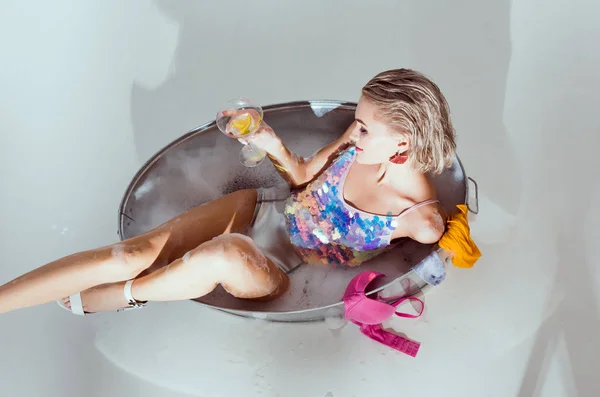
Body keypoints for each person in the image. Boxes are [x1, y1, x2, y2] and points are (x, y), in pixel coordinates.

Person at [0, 68, 455, 315]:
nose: (352, 131)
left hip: (286, 266)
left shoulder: (421, 220)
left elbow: (422, 265)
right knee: (127, 253)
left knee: (224, 254)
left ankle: (125, 295)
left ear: (404, 142)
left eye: (364, 126)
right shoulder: (356, 148)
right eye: (356, 119)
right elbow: (301, 180)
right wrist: (269, 141)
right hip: (262, 210)